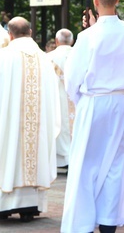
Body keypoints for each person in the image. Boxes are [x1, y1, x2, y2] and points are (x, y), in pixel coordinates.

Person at [61, 0, 124, 233]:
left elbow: (73, 76)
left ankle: (83, 224)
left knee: (85, 163)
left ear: (96, 2)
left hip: (94, 101)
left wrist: (81, 101)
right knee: (115, 164)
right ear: (117, 0)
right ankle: (109, 222)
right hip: (120, 103)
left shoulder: (88, 36)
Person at [0, 17, 61, 221]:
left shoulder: (2, 57)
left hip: (9, 125)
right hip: (38, 128)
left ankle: (3, 206)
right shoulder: (45, 58)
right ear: (31, 32)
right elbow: (53, 98)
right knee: (35, 153)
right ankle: (30, 206)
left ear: (10, 34)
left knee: (7, 152)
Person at [47, 28, 75, 169]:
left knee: (59, 125)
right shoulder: (79, 55)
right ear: (72, 41)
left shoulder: (48, 58)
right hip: (77, 100)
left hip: (56, 100)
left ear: (57, 41)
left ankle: (60, 161)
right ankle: (75, 157)